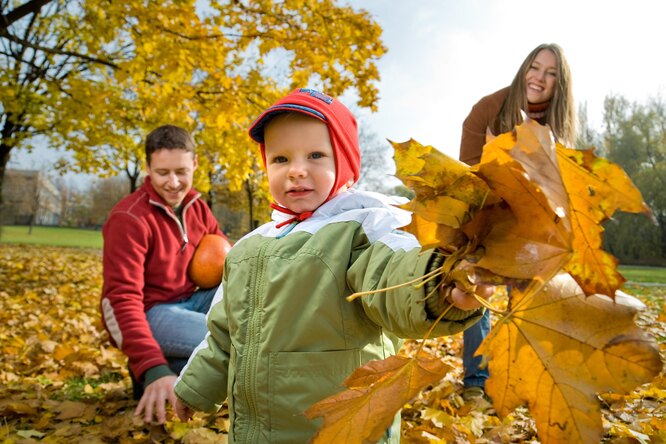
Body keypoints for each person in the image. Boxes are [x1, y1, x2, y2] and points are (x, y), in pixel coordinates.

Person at [172, 88, 493, 443]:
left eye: (315, 155)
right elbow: (222, 337)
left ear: (344, 164)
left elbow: (392, 273)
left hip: (343, 429)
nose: (296, 170)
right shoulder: (248, 247)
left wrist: (440, 286)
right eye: (280, 159)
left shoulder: (363, 226)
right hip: (255, 432)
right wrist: (193, 389)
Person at [458, 43, 577, 400]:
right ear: (524, 68)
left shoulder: (558, 127)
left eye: (550, 73)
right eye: (535, 68)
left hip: (535, 224)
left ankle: (523, 380)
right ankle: (476, 383)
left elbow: (560, 191)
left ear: (560, 84)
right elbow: (468, 172)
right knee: (482, 294)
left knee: (526, 304)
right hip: (489, 213)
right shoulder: (489, 110)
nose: (539, 78)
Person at [100, 124, 228, 424]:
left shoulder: (197, 207)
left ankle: (174, 367)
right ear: (148, 168)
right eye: (162, 173)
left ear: (195, 164)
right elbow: (120, 300)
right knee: (228, 338)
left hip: (191, 300)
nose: (173, 183)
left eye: (182, 171)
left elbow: (222, 256)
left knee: (244, 312)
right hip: (152, 312)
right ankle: (156, 370)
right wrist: (150, 364)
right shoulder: (129, 218)